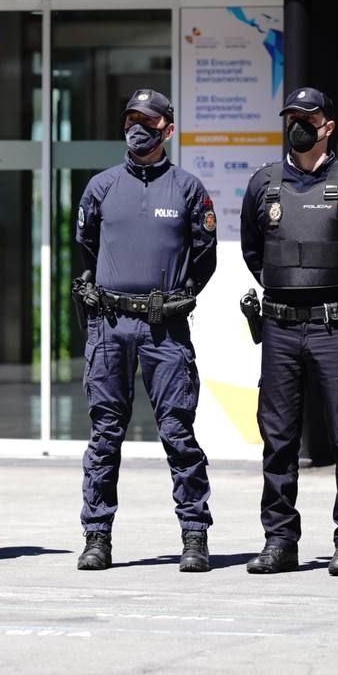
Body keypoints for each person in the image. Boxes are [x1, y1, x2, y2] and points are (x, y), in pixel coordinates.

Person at [239, 86, 338, 577]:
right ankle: (280, 541)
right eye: (291, 117)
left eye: (307, 119)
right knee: (278, 438)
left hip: (335, 326)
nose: (297, 126)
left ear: (328, 126)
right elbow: (252, 251)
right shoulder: (263, 184)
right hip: (280, 328)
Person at [71, 88, 218, 573]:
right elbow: (87, 246)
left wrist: (175, 296)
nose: (137, 128)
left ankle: (194, 535)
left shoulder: (188, 189)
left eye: (148, 122)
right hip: (110, 325)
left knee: (177, 432)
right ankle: (97, 536)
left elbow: (204, 257)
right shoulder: (101, 187)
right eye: (131, 119)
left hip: (165, 329)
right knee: (104, 434)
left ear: (167, 130)